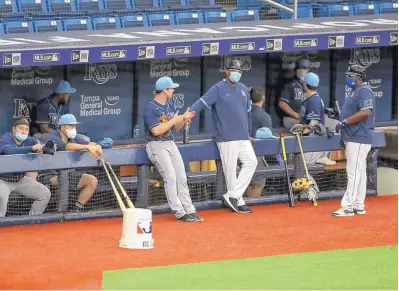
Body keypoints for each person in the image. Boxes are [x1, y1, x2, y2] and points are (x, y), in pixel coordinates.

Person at [190, 59, 258, 213]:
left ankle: (233, 195)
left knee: (251, 162)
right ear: (227, 71)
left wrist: (250, 133)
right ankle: (238, 201)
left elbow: (248, 113)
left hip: (243, 136)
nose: (236, 73)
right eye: (234, 70)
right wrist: (188, 114)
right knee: (230, 171)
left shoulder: (243, 89)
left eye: (239, 71)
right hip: (226, 136)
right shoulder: (218, 88)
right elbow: (201, 103)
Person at [144, 76, 203, 223]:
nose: (173, 90)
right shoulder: (150, 107)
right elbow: (156, 131)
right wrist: (174, 120)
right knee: (170, 176)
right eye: (171, 88)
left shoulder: (168, 104)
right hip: (156, 145)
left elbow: (174, 128)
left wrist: (183, 119)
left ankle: (189, 210)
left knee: (181, 177)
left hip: (170, 143)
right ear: (164, 90)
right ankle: (179, 212)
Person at [332, 65, 374, 217]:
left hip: (359, 137)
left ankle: (348, 207)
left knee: (354, 172)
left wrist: (345, 122)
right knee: (360, 172)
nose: (348, 78)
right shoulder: (356, 91)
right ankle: (358, 205)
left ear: (359, 77)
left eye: (350, 75)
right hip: (354, 137)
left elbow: (365, 112)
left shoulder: (364, 90)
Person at [42, 114, 101, 213]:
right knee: (63, 177)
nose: (74, 128)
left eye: (74, 126)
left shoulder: (73, 138)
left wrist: (97, 145)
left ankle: (76, 209)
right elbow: (66, 146)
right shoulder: (52, 137)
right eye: (71, 126)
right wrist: (87, 147)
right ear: (63, 127)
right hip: (49, 176)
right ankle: (59, 212)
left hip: (69, 174)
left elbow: (88, 143)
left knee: (92, 181)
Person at [0, 117, 51, 217]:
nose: (23, 131)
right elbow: (8, 151)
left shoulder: (30, 140)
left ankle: (32, 222)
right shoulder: (6, 138)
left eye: (26, 129)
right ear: (14, 129)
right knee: (1, 197)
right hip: (2, 180)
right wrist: (31, 148)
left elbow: (45, 148)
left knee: (44, 194)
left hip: (20, 180)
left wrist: (49, 148)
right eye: (21, 128)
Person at [246, 88, 284, 197]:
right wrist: (278, 157)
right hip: (254, 154)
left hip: (238, 152)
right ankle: (250, 203)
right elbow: (269, 141)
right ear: (263, 99)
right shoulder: (264, 116)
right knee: (258, 181)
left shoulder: (243, 113)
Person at [299, 72, 336, 166]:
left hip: (313, 144)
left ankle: (320, 156)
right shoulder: (312, 99)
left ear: (306, 85)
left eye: (303, 82)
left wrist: (301, 131)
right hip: (311, 143)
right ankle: (321, 157)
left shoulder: (314, 101)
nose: (302, 84)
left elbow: (313, 124)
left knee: (302, 165)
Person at [279, 58, 310, 129]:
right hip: (293, 118)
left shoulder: (311, 83)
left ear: (308, 70)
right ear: (295, 70)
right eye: (299, 68)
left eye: (304, 68)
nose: (302, 70)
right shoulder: (290, 84)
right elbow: (282, 103)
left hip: (307, 118)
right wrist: (296, 115)